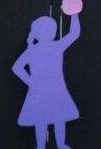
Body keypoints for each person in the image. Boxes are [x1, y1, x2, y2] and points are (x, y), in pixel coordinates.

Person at [12, 14, 81, 149]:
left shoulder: (36, 49)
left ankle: (53, 145)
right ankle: (55, 145)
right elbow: (74, 33)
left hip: (48, 89)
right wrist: (74, 14)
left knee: (45, 119)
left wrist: (30, 81)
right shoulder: (54, 46)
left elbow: (17, 67)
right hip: (52, 89)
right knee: (53, 118)